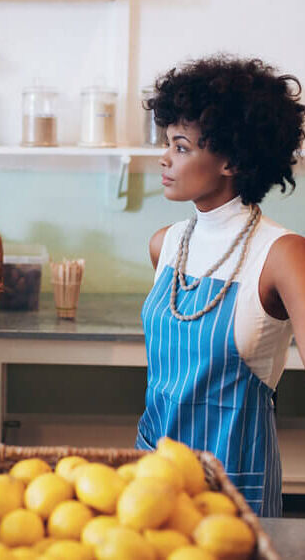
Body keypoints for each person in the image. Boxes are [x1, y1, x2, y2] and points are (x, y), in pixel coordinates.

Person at [136, 55, 305, 517]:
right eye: (167, 142)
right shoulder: (165, 246)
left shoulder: (283, 255)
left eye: (182, 146)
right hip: (153, 471)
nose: (164, 157)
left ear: (231, 159)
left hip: (234, 486)